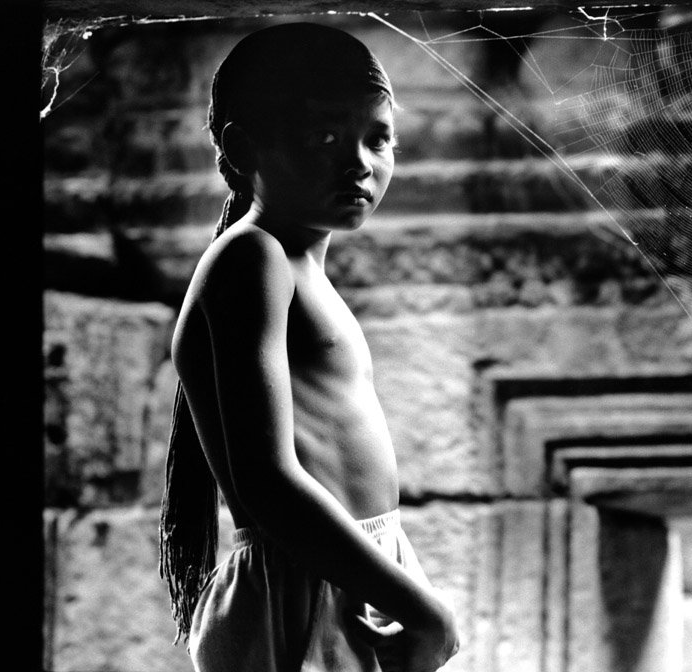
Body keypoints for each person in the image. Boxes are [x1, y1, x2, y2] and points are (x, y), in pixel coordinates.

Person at [158, 22, 460, 672]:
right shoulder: (251, 258)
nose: (360, 161)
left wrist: (401, 578)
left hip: (349, 568)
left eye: (378, 137)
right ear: (243, 147)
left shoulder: (296, 267)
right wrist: (423, 610)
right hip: (298, 583)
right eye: (325, 136)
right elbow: (267, 483)